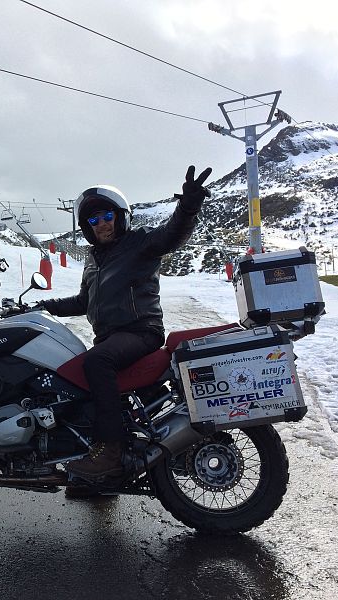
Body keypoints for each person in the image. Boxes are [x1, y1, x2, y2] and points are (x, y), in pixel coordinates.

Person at [38, 166, 212, 485]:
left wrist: (188, 206)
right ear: (87, 228)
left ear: (120, 216)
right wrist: (41, 307)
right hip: (109, 338)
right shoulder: (94, 261)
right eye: (93, 220)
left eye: (106, 216)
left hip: (139, 333)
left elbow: (172, 234)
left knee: (96, 362)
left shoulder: (139, 243)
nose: (102, 224)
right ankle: (93, 476)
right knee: (77, 379)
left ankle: (111, 454)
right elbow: (82, 301)